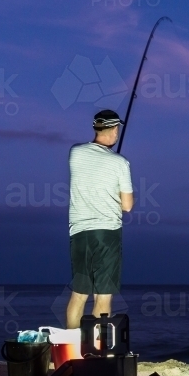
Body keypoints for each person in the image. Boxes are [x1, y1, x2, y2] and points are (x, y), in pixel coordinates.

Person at [65, 109, 134, 328]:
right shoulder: (120, 163)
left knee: (79, 294)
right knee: (103, 296)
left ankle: (71, 348)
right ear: (114, 129)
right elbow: (128, 206)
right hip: (107, 233)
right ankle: (94, 351)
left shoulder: (75, 152)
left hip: (79, 233)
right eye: (117, 129)